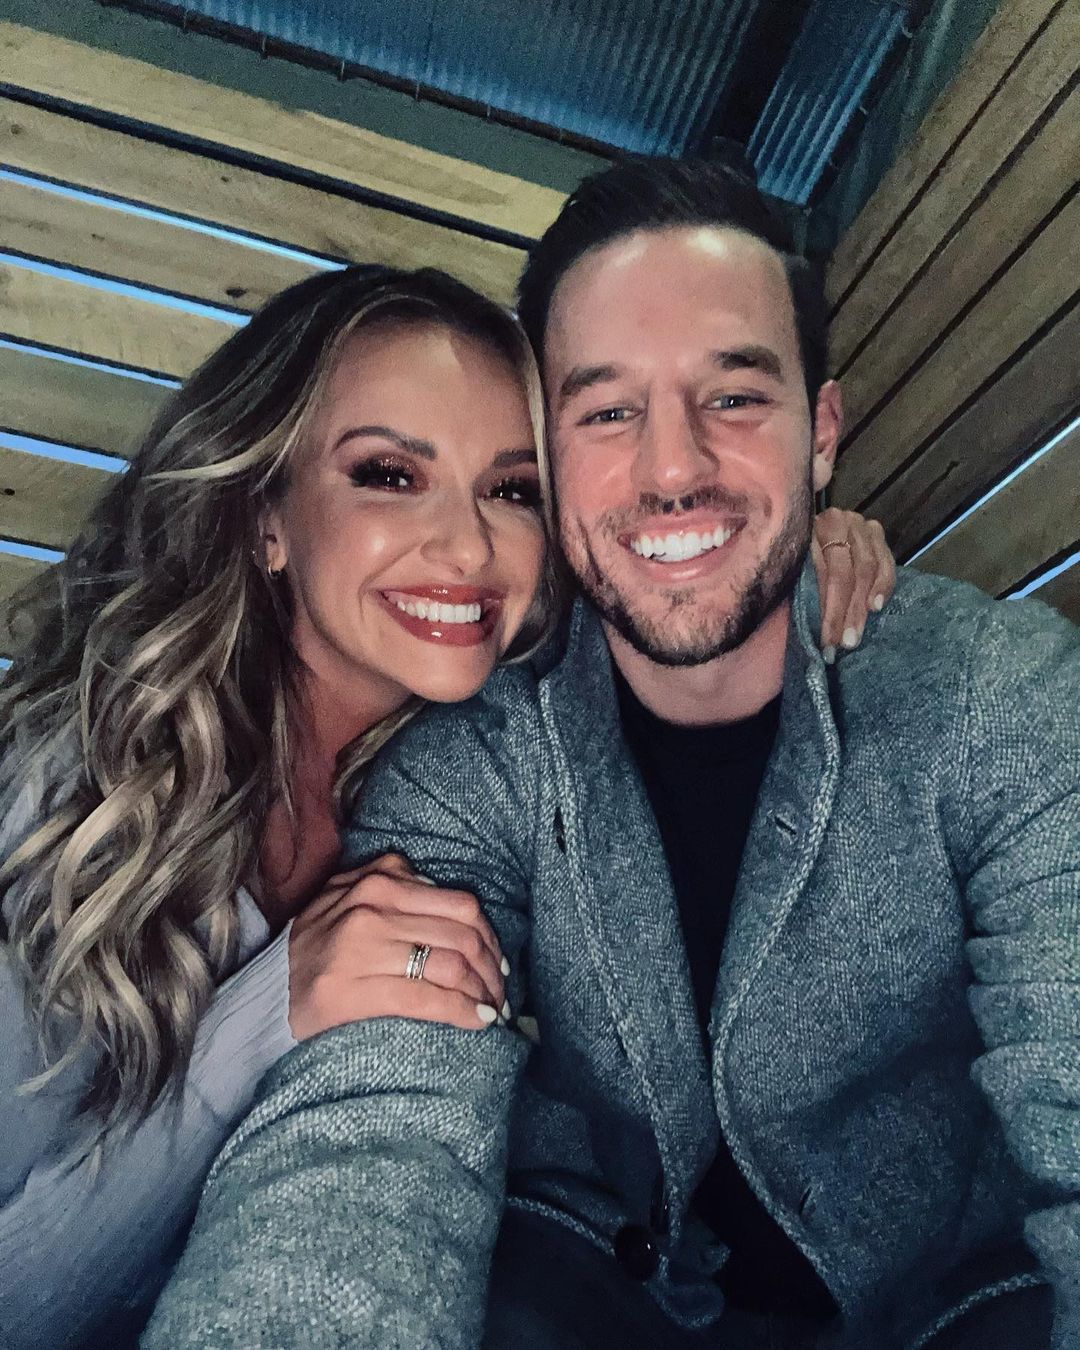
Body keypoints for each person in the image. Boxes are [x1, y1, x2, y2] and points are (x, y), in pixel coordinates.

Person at [146, 157, 1079, 1350]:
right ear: (552, 456)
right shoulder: (474, 754)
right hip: (585, 1280)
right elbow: (374, 1129)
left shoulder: (997, 693)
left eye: (733, 397)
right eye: (606, 412)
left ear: (822, 434)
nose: (673, 468)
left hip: (947, 1303)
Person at [0, 260, 885, 1349]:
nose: (468, 548)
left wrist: (797, 552)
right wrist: (274, 1009)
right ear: (268, 514)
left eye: (512, 491)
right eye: (389, 474)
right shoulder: (79, 795)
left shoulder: (460, 749)